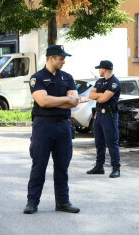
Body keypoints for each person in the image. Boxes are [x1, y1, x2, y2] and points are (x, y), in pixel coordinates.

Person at [24, 45, 80, 214]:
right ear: (51, 58)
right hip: (43, 125)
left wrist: (60, 100)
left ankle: (63, 202)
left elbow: (74, 101)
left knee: (62, 166)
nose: (64, 61)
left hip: (63, 125)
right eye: (61, 58)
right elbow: (43, 102)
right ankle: (32, 202)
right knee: (39, 165)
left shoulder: (68, 77)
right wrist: (66, 99)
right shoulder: (37, 77)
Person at [86, 60, 122, 178]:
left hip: (109, 115)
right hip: (98, 115)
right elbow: (90, 95)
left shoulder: (114, 83)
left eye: (100, 69)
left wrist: (99, 95)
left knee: (111, 142)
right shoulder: (100, 81)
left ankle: (116, 168)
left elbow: (102, 99)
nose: (99, 71)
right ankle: (99, 166)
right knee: (99, 142)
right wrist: (100, 95)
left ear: (104, 69)